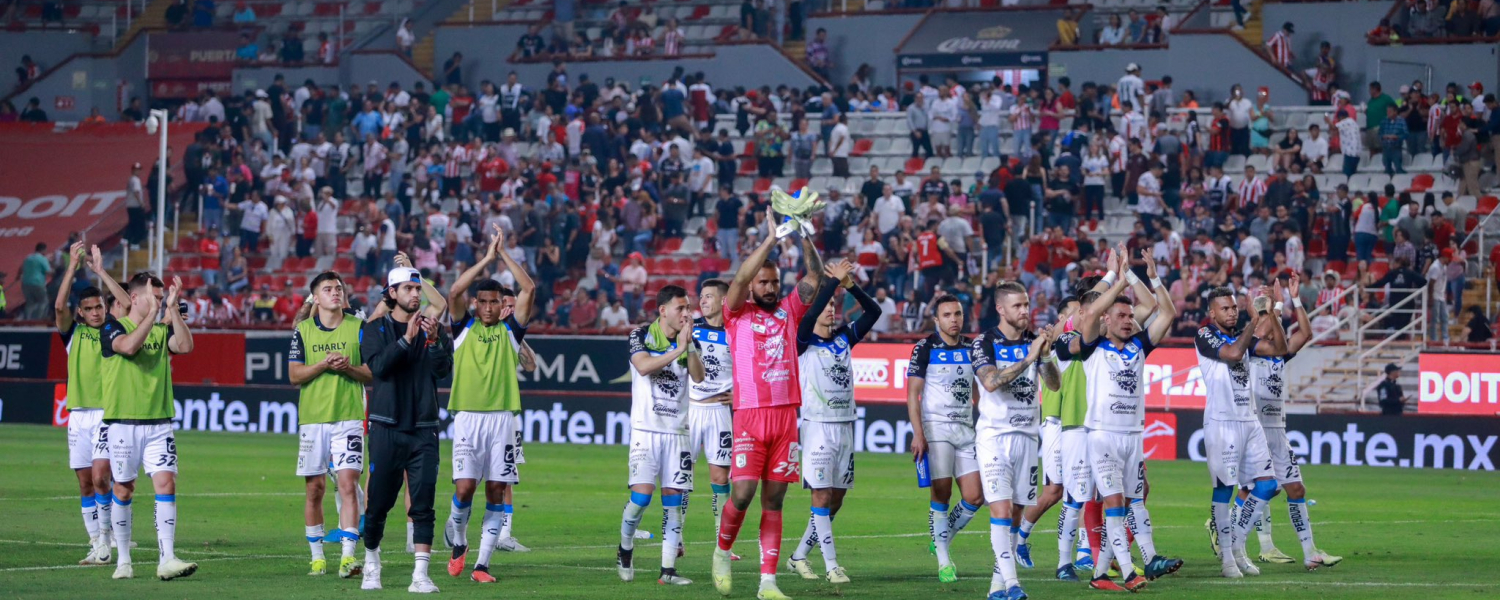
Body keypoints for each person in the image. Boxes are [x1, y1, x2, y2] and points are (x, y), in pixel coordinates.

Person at [711, 207, 824, 600]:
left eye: (775, 281)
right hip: (749, 417)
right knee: (742, 495)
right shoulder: (735, 314)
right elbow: (740, 277)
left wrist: (805, 234)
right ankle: (722, 552)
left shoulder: (790, 311)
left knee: (774, 501)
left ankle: (768, 583)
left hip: (785, 419)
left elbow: (815, 277)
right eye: (764, 282)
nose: (771, 287)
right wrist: (771, 239)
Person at [1066, 247, 1178, 591]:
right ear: (1106, 319)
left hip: (1133, 436)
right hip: (1102, 435)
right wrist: (1115, 278)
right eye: (1122, 315)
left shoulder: (1139, 346)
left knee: (1132, 502)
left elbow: (1167, 313)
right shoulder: (1092, 345)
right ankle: (1129, 572)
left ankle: (1100, 575)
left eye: (1131, 315)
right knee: (1114, 503)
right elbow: (1090, 313)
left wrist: (1148, 276)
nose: (1129, 320)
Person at [441, 224, 534, 583]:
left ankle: (481, 565)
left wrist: (504, 253)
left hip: (502, 421)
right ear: (476, 304)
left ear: (502, 305)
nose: (490, 307)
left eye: (496, 301)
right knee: (465, 489)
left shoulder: (511, 332)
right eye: (484, 301)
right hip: (467, 418)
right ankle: (459, 541)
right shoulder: (463, 329)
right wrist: (486, 258)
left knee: (496, 490)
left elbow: (529, 289)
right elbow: (453, 291)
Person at [358, 267, 453, 592]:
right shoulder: (375, 329)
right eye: (408, 289)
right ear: (392, 293)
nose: (415, 294)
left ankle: (420, 575)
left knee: (423, 503)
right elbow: (379, 368)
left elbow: (443, 370)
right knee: (378, 504)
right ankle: (372, 562)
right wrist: (406, 340)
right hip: (386, 427)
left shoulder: (433, 328)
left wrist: (434, 341)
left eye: (417, 288)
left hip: (424, 428)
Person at [786, 259, 880, 584]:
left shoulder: (843, 339)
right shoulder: (802, 342)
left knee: (836, 499)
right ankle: (831, 566)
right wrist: (832, 283)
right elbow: (809, 314)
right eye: (826, 305)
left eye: (833, 305)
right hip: (817, 427)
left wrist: (849, 285)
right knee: (822, 497)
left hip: (845, 426)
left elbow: (874, 312)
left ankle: (799, 556)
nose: (831, 309)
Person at [99, 272, 197, 580]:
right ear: (135, 298)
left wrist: (173, 309)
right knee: (123, 488)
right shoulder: (113, 327)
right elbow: (128, 347)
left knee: (167, 484)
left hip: (158, 423)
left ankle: (167, 558)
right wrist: (155, 314)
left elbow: (185, 346)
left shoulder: (159, 330)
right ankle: (123, 560)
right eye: (154, 297)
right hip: (123, 423)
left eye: (160, 298)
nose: (158, 302)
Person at [969, 282, 1062, 600]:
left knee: (1017, 513)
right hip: (994, 437)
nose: (1025, 310)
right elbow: (990, 382)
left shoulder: (1033, 341)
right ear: (1001, 309)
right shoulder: (984, 342)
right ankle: (1013, 584)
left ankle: (997, 587)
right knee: (1002, 508)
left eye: (1026, 305)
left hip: (1027, 438)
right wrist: (1028, 358)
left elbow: (1054, 384)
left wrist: (1044, 356)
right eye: (1018, 306)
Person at [1245, 275, 1343, 569]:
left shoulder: (1280, 355)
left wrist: (1293, 299)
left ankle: (1310, 552)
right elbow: (1263, 329)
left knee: (1296, 490)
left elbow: (1306, 333)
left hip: (1278, 431)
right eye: (1263, 313)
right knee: (1256, 491)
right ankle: (1235, 540)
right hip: (1255, 432)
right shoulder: (1249, 347)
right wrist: (1272, 307)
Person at [288, 272, 372, 578]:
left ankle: (348, 557)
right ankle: (317, 557)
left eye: (338, 288)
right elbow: (294, 376)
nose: (335, 292)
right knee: (315, 489)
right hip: (313, 419)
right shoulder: (303, 331)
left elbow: (372, 373)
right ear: (317, 298)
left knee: (348, 484)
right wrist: (324, 364)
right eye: (328, 289)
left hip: (349, 417)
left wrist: (348, 367)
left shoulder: (359, 327)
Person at [1196, 283, 1277, 579]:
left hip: (1249, 420)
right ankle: (1228, 559)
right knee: (1225, 488)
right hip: (1222, 422)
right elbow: (1232, 354)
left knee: (1268, 485)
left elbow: (1278, 349)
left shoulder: (1240, 335)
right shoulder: (1204, 334)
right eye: (1225, 308)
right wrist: (1255, 320)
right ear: (1212, 312)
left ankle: (1237, 545)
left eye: (1234, 307)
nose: (1232, 312)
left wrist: (1272, 313)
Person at [617, 285, 696, 586]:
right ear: (663, 310)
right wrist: (678, 350)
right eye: (680, 308)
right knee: (641, 498)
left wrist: (689, 347)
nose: (686, 313)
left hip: (677, 432)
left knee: (673, 500)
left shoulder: (689, 339)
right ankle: (625, 548)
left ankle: (667, 571)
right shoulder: (641, 335)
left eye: (688, 308)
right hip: (646, 430)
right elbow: (643, 367)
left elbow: (699, 376)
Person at [56, 242, 125, 566]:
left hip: (106, 415)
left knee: (100, 478)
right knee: (85, 483)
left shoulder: (115, 331)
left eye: (100, 306)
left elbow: (126, 303)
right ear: (81, 312)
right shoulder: (74, 335)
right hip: (78, 417)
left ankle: (107, 538)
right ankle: (96, 543)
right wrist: (72, 266)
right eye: (90, 308)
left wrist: (100, 270)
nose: (97, 312)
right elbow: (59, 307)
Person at [907, 294, 981, 584]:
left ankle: (941, 539)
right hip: (937, 429)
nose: (954, 319)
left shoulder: (972, 347)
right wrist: (918, 433)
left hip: (966, 429)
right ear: (937, 319)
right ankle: (944, 561)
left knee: (975, 496)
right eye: (947, 315)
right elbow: (913, 394)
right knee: (942, 493)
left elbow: (977, 388)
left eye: (958, 314)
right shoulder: (925, 347)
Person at [684, 279, 741, 562]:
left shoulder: (735, 331)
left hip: (719, 412)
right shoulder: (690, 328)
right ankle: (675, 536)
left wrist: (740, 394)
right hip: (690, 410)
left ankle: (723, 544)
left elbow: (750, 369)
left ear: (723, 300)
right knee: (681, 475)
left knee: (720, 478)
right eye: (701, 296)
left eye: (708, 296)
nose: (702, 301)